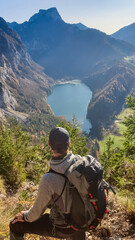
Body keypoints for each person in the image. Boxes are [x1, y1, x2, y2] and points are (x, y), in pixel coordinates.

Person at [10, 127, 86, 240]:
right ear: (69, 142)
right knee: (75, 214)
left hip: (64, 227)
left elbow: (35, 214)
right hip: (83, 221)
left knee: (15, 225)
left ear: (49, 145)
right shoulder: (80, 162)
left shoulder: (49, 179)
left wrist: (24, 216)